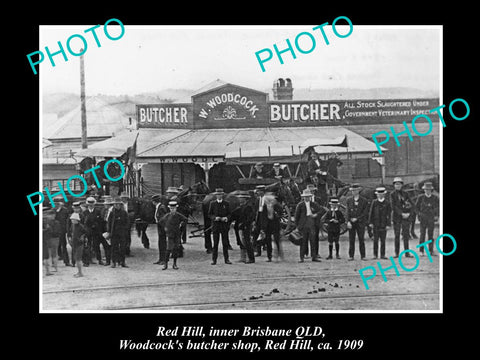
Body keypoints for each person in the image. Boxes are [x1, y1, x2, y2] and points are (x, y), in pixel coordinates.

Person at [294, 189, 322, 263]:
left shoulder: (314, 204)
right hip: (303, 225)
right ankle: (301, 257)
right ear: (303, 197)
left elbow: (321, 211)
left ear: (310, 197)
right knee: (303, 242)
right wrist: (297, 227)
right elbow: (296, 216)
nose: (307, 198)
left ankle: (314, 256)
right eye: (305, 197)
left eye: (308, 197)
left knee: (313, 241)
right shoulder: (300, 205)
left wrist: (315, 215)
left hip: (312, 224)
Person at [390, 177, 415, 258]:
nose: (398, 186)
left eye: (399, 184)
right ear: (394, 185)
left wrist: (409, 213)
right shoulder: (392, 194)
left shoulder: (406, 194)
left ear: (402, 185)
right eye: (396, 184)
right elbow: (393, 206)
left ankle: (407, 253)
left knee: (406, 235)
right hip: (397, 217)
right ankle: (397, 253)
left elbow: (412, 204)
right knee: (397, 235)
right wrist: (401, 213)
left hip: (406, 217)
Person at [160, 201, 187, 270]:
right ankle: (165, 264)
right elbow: (161, 222)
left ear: (176, 209)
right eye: (171, 208)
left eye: (174, 208)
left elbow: (185, 219)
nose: (172, 210)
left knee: (175, 249)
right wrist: (165, 228)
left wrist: (181, 225)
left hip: (177, 235)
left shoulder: (178, 215)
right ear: (169, 209)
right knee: (168, 249)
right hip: (170, 235)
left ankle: (174, 264)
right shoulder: (167, 216)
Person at [415, 182, 439, 256]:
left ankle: (431, 250)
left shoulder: (435, 198)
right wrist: (419, 214)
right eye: (426, 189)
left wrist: (436, 215)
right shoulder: (420, 197)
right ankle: (421, 251)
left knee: (430, 234)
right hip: (423, 218)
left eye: (429, 189)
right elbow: (416, 207)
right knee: (422, 234)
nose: (427, 191)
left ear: (431, 190)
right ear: (424, 190)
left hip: (431, 218)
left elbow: (438, 208)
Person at [208, 188, 232, 265]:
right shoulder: (212, 203)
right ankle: (214, 260)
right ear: (216, 195)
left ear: (222, 195)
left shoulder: (226, 203)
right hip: (216, 226)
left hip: (224, 226)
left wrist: (226, 218)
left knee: (225, 243)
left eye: (220, 194)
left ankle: (226, 259)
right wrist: (215, 218)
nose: (219, 196)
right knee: (215, 244)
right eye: (218, 195)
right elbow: (209, 214)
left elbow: (230, 214)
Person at [84, 197, 110, 266]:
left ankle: (99, 260)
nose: (91, 205)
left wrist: (98, 228)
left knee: (96, 246)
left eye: (92, 204)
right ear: (87, 204)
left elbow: (101, 221)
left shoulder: (98, 211)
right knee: (88, 246)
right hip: (88, 232)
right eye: (89, 204)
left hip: (96, 231)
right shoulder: (85, 212)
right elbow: (84, 223)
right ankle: (88, 260)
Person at [346, 184, 369, 261]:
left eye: (355, 190)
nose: (353, 192)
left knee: (361, 239)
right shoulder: (349, 200)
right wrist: (348, 221)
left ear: (359, 191)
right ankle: (351, 255)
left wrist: (357, 218)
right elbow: (347, 212)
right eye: (352, 190)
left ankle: (363, 256)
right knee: (351, 239)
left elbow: (365, 213)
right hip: (351, 223)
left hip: (360, 223)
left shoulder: (364, 201)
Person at [368, 186, 391, 259]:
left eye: (382, 194)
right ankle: (375, 254)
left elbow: (389, 214)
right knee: (375, 240)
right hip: (376, 224)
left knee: (383, 240)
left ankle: (382, 255)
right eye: (379, 194)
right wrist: (370, 223)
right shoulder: (374, 202)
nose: (380, 195)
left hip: (384, 224)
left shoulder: (387, 203)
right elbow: (371, 213)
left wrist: (388, 224)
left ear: (384, 195)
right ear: (377, 195)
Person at [107, 198, 130, 268]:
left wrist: (125, 230)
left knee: (123, 248)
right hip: (114, 233)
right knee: (114, 248)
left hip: (122, 233)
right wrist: (109, 232)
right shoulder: (112, 213)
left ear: (120, 205)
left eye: (118, 204)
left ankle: (122, 262)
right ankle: (113, 262)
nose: (117, 206)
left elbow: (127, 222)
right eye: (115, 204)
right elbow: (109, 223)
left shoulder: (124, 213)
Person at [261, 194, 283, 262]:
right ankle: (269, 257)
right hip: (268, 225)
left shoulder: (277, 206)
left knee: (277, 240)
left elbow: (281, 213)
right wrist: (263, 227)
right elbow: (263, 216)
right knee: (268, 241)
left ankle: (279, 255)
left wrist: (276, 213)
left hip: (275, 224)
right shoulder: (264, 206)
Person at [306, 184, 326, 259]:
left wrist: (316, 215)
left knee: (315, 237)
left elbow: (322, 210)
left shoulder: (318, 199)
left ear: (314, 191)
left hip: (316, 220)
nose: (311, 193)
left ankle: (315, 253)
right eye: (309, 191)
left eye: (312, 191)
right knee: (306, 237)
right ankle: (306, 253)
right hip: (307, 221)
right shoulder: (303, 200)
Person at [235, 194, 256, 264]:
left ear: (245, 199)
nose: (240, 199)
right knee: (242, 242)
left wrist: (244, 224)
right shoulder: (241, 207)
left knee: (247, 242)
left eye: (241, 198)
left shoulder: (248, 207)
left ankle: (251, 258)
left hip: (246, 227)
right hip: (241, 227)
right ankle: (243, 257)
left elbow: (250, 218)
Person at [67, 212, 86, 277]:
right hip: (74, 244)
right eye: (72, 219)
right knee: (76, 258)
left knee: (78, 259)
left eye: (73, 219)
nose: (72, 220)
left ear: (77, 220)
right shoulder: (72, 225)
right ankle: (79, 272)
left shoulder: (81, 226)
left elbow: (85, 233)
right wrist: (70, 239)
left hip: (79, 244)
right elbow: (70, 232)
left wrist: (81, 238)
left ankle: (80, 273)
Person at [43, 207, 61, 275]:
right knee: (54, 254)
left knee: (50, 254)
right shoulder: (56, 222)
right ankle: (55, 268)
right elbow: (58, 232)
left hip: (49, 238)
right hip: (54, 238)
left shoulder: (46, 222)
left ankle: (52, 268)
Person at [152, 194, 168, 265]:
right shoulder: (158, 207)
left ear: (154, 201)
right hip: (160, 227)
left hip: (162, 228)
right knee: (160, 243)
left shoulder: (161, 207)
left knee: (163, 244)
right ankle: (160, 259)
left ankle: (163, 260)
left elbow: (163, 219)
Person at [55, 201, 71, 267]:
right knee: (56, 246)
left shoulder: (65, 211)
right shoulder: (52, 211)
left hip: (62, 230)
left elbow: (68, 220)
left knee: (63, 245)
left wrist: (67, 229)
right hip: (54, 231)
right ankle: (57, 258)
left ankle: (66, 261)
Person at [252, 185, 266, 256]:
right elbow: (255, 210)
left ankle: (266, 247)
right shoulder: (257, 200)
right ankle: (258, 251)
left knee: (265, 234)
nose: (257, 193)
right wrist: (254, 220)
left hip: (265, 219)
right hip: (259, 218)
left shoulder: (267, 199)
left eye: (259, 191)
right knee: (256, 233)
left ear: (262, 192)